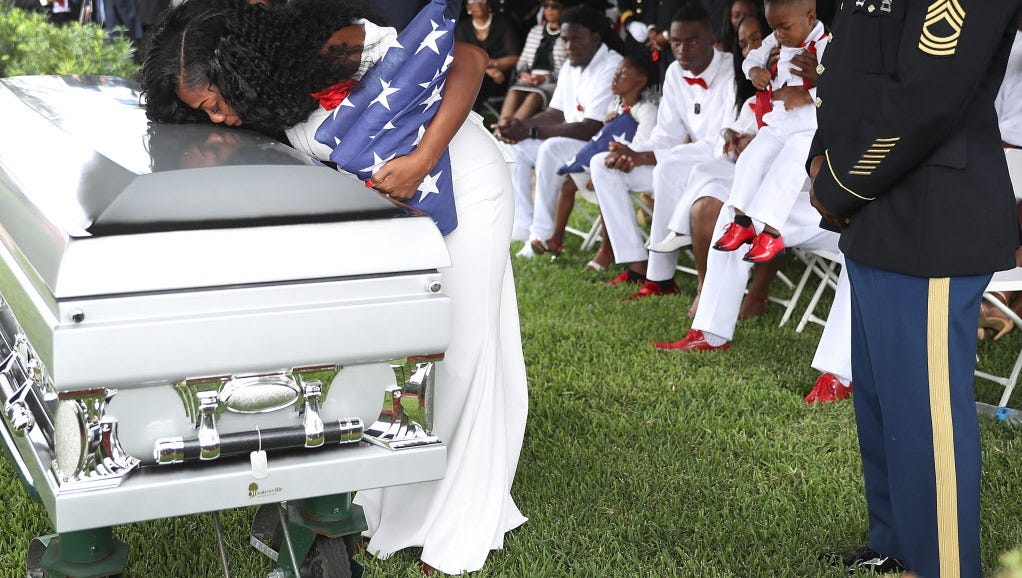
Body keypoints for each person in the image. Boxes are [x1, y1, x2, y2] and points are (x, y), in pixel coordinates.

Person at [140, 0, 529, 574]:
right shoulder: (264, 106)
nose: (219, 119)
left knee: (463, 351)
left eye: (217, 103)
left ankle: (458, 526)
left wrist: (423, 160)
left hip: (462, 179)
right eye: (205, 112)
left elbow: (466, 58)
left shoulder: (328, 48)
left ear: (240, 66)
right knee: (413, 352)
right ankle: (397, 503)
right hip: (405, 208)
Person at [808, 1, 1022, 576]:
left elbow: (927, 92)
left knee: (926, 418)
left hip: (929, 213)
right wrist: (819, 160)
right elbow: (845, 70)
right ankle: (898, 544)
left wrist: (843, 181)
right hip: (879, 211)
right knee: (882, 403)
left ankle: (944, 566)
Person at [591, 4, 736, 301]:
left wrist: (646, 157)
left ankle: (660, 279)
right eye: (676, 42)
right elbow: (666, 135)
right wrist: (633, 151)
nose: (682, 50)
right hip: (681, 163)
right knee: (602, 164)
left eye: (692, 41)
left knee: (668, 167)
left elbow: (719, 144)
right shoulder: (673, 72)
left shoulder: (731, 70)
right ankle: (635, 262)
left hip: (720, 167)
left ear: (712, 38)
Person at [496, 4, 623, 251]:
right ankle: (522, 223)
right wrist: (520, 125)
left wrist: (531, 130)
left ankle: (541, 236)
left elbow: (589, 128)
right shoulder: (570, 65)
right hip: (572, 141)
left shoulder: (611, 65)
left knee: (550, 148)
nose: (569, 46)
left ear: (595, 37)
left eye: (576, 39)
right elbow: (556, 113)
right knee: (513, 146)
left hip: (601, 146)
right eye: (565, 39)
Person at [712, 0, 827, 263]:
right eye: (774, 27)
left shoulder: (826, 44)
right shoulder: (775, 41)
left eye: (784, 27)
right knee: (751, 159)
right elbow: (750, 57)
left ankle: (772, 232)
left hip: (810, 127)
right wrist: (753, 71)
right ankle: (741, 221)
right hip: (778, 122)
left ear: (810, 17)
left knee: (786, 169)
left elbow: (842, 86)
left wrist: (807, 94)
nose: (778, 34)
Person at [499, 0, 569, 121]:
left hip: (555, 83)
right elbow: (523, 61)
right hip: (529, 79)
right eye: (546, 6)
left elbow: (569, 70)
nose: (549, 10)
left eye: (555, 6)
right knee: (514, 93)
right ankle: (501, 130)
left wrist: (545, 78)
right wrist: (523, 74)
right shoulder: (535, 31)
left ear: (564, 10)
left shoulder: (570, 34)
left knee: (534, 97)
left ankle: (510, 132)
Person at [455, 0, 520, 111]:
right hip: (474, 74)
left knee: (472, 83)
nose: (478, 4)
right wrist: (486, 69)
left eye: (482, 0)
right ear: (468, 7)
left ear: (489, 4)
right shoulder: (463, 28)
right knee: (469, 80)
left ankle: (467, 117)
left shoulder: (504, 25)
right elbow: (460, 59)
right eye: (473, 1)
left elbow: (515, 59)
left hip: (499, 77)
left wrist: (491, 64)